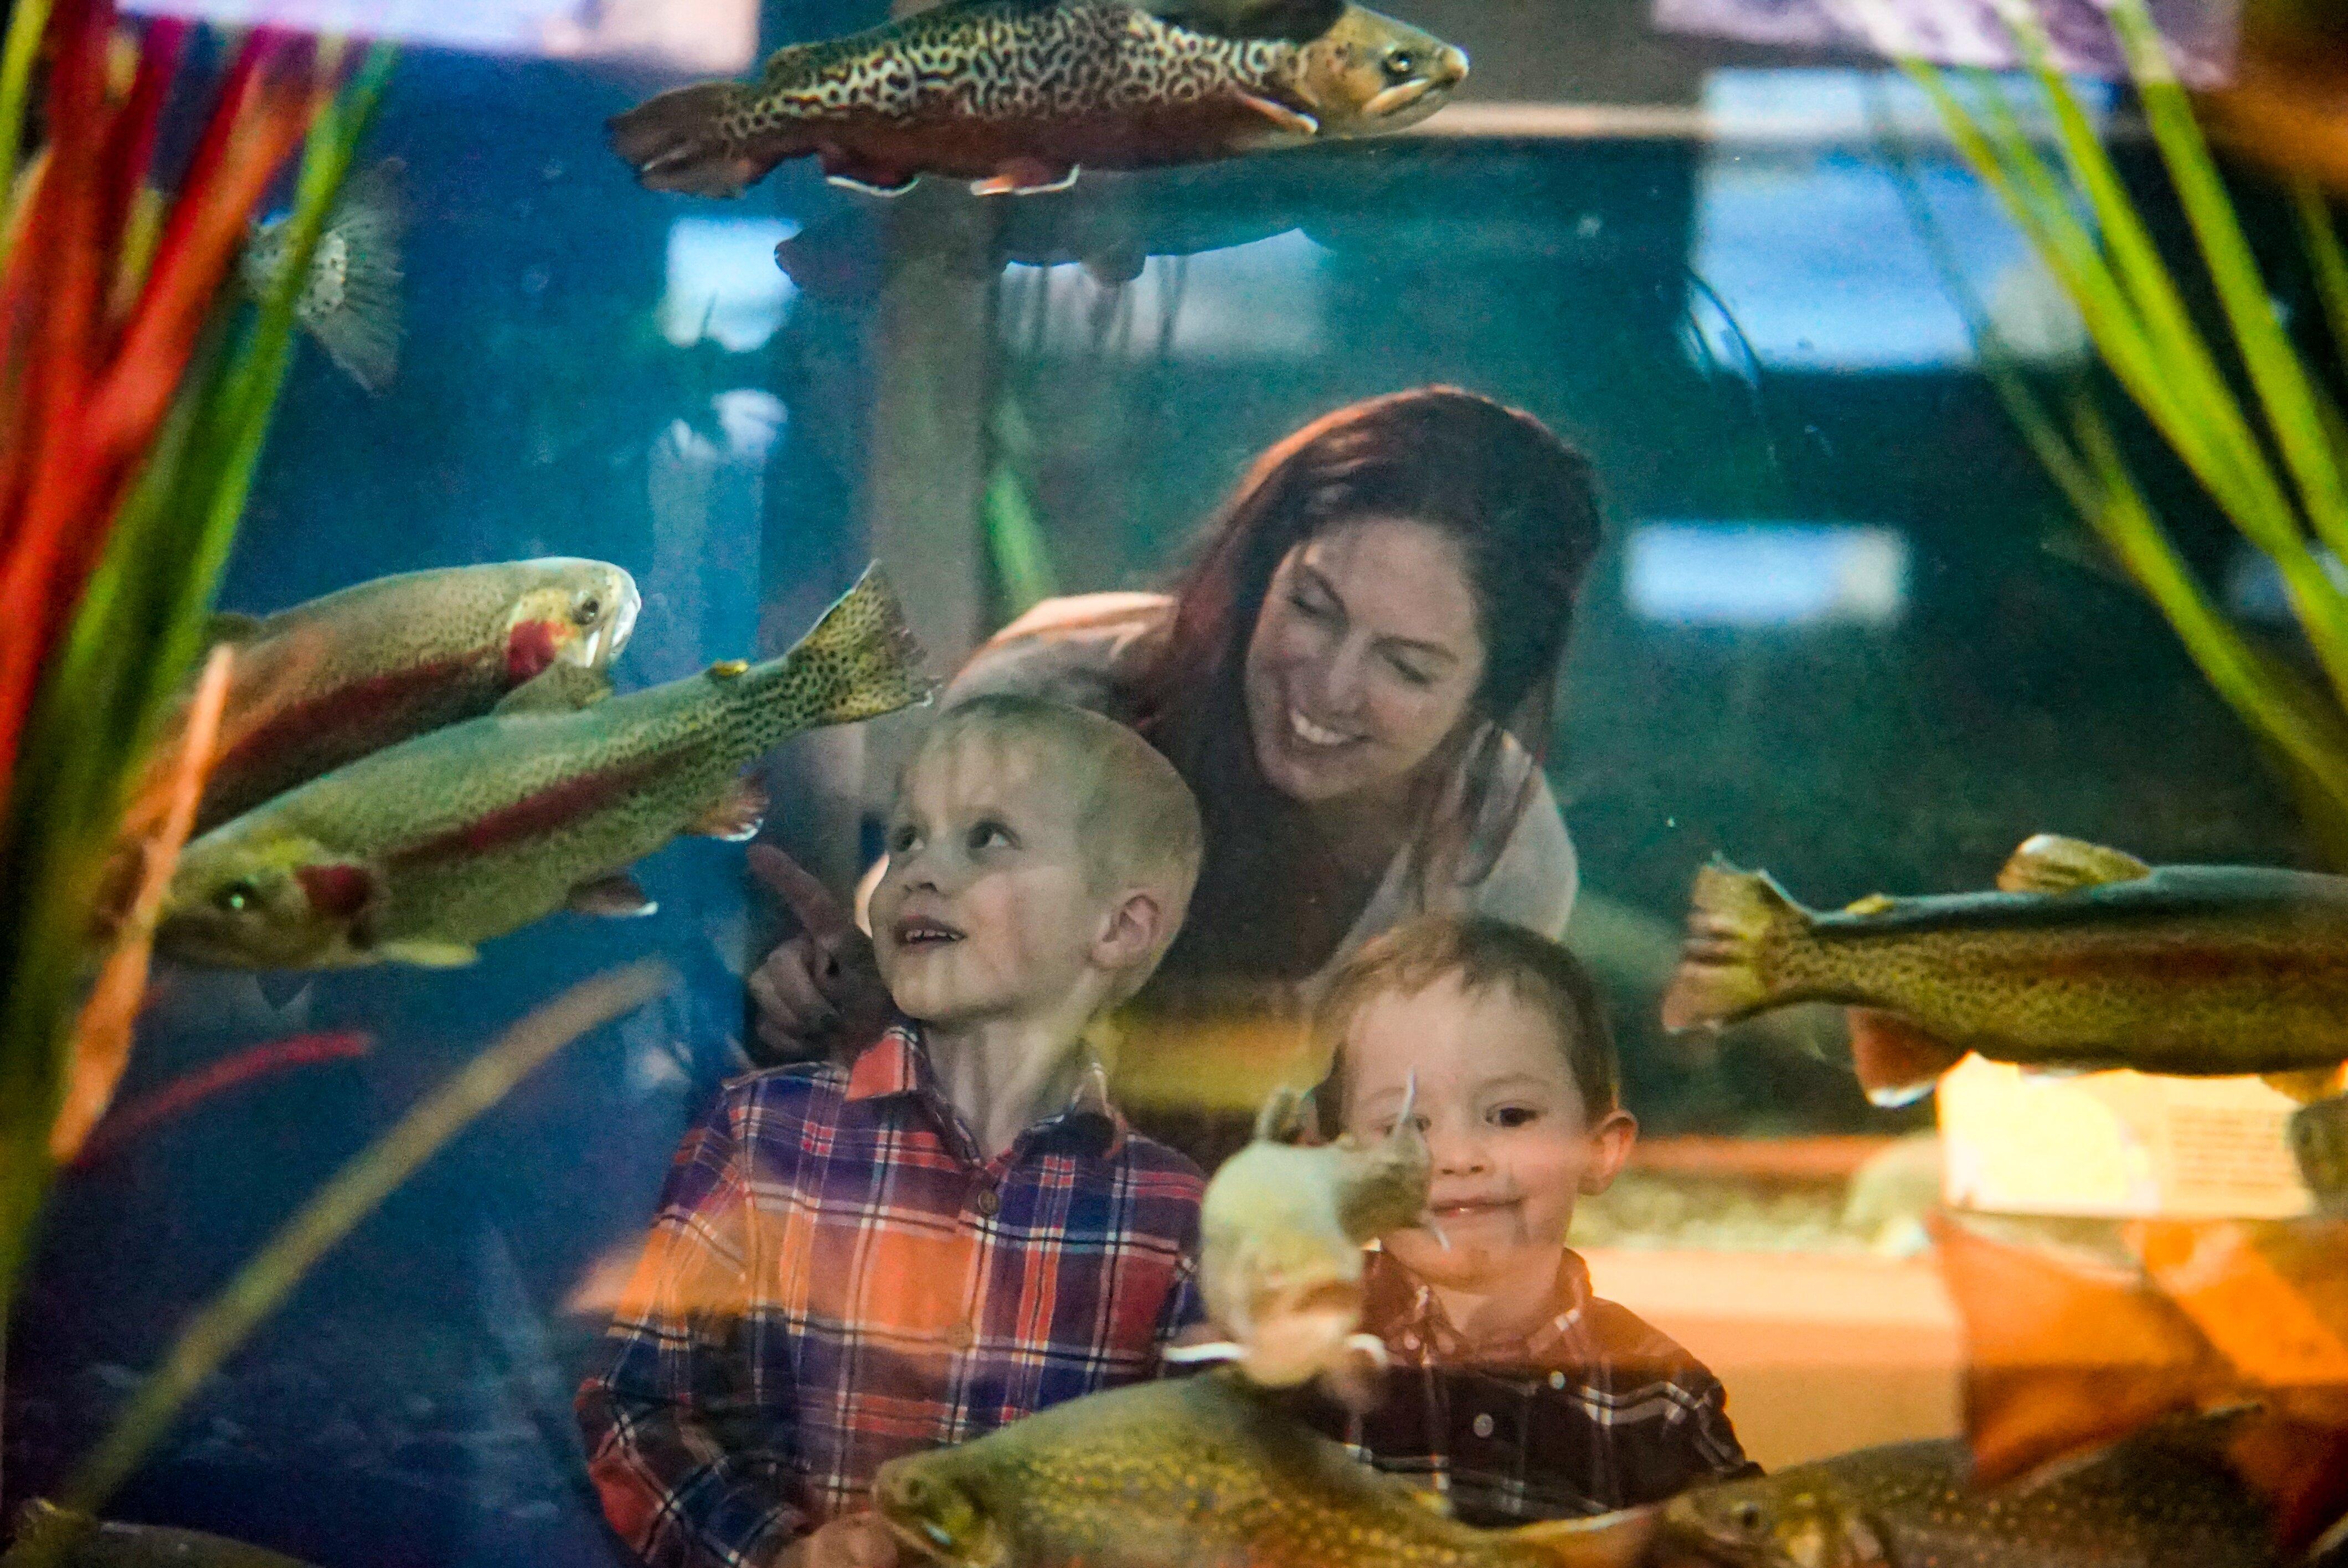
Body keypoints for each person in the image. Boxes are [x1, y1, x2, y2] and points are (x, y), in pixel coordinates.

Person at [751, 388, 1602, 1156]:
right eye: (1312, 607)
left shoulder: (1502, 861)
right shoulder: (1052, 699)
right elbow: (901, 970)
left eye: (1408, 668)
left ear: (1489, 692)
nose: (1332, 688)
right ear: (1260, 566)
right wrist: (841, 993)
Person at [578, 696, 1209, 1568]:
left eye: (987, 837)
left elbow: (1216, 1495)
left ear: (1118, 926)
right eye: (907, 837)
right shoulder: (763, 1135)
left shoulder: (1179, 1217)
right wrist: (775, 1555)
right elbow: (633, 1407)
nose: (920, 871)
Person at [1314, 915, 1754, 1521]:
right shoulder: (1295, 1344)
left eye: (1510, 1115)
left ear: (1600, 1150)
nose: (1458, 1158)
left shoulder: (1661, 1396)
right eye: (1403, 1126)